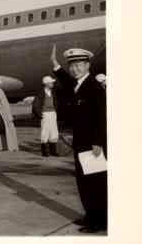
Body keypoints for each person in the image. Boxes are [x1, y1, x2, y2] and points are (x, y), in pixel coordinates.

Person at [51, 45, 107, 233]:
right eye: (72, 66)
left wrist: (98, 142)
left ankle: (99, 221)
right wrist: (56, 66)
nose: (75, 69)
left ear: (87, 65)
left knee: (95, 183)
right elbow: (67, 81)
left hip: (93, 144)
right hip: (81, 142)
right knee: (83, 182)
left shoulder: (94, 86)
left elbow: (101, 116)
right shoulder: (78, 84)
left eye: (79, 65)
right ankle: (91, 215)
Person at [32, 75, 60, 158]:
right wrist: (39, 115)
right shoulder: (40, 93)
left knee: (54, 131)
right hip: (45, 114)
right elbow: (35, 105)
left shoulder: (53, 92)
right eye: (51, 82)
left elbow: (56, 103)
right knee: (45, 132)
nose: (53, 84)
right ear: (46, 84)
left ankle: (53, 151)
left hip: (53, 114)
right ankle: (45, 152)